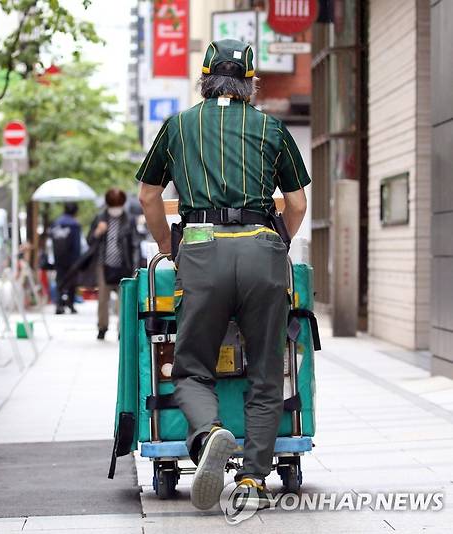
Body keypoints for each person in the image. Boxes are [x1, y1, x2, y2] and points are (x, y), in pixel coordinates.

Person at [137, 39, 310, 511]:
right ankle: (254, 477)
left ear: (205, 78)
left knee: (191, 368)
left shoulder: (177, 127)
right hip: (261, 249)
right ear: (251, 82)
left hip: (200, 248)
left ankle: (209, 433)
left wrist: (167, 245)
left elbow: (149, 195)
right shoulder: (271, 128)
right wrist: (276, 245)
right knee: (266, 373)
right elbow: (296, 204)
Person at [87, 188, 137, 340]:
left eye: (118, 204)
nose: (116, 208)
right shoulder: (100, 218)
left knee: (123, 300)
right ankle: (102, 327)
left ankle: (122, 329)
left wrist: (134, 266)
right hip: (104, 265)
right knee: (103, 299)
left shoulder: (129, 219)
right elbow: (89, 240)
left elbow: (134, 244)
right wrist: (98, 232)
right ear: (108, 204)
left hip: (124, 265)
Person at [50, 202, 82, 314]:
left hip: (58, 257)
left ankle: (59, 305)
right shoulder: (74, 225)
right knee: (72, 282)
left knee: (60, 280)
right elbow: (77, 244)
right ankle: (71, 304)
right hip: (72, 258)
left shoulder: (56, 223)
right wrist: (78, 260)